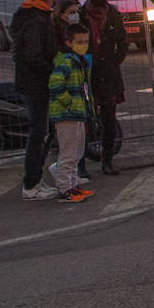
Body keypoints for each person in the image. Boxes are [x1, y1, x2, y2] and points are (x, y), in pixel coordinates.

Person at [12, 0, 59, 200]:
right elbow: (33, 55)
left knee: (41, 132)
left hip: (30, 82)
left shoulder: (26, 14)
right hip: (37, 84)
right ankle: (31, 184)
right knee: (39, 133)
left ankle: (34, 181)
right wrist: (51, 70)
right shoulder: (37, 19)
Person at [83, 0, 127, 175]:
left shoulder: (113, 15)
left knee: (109, 119)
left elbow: (123, 41)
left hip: (108, 73)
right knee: (84, 118)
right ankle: (79, 164)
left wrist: (115, 60)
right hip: (86, 72)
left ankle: (107, 160)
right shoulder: (81, 14)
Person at [48, 24, 95, 203]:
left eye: (85, 42)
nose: (83, 45)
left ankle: (72, 185)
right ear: (68, 42)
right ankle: (64, 189)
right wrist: (67, 102)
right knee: (68, 152)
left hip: (77, 113)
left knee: (76, 151)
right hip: (67, 114)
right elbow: (55, 83)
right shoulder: (67, 61)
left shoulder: (79, 62)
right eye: (79, 42)